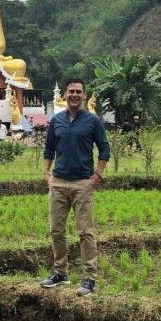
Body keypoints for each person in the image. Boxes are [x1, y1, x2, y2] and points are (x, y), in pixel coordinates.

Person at [40, 78, 110, 297]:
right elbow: (49, 148)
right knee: (56, 230)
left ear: (84, 95)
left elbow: (105, 149)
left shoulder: (92, 121)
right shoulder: (57, 120)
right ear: (65, 94)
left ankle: (90, 278)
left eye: (79, 92)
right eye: (71, 91)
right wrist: (47, 173)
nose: (74, 95)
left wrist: (97, 176)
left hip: (82, 183)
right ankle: (61, 272)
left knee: (85, 232)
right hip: (59, 182)